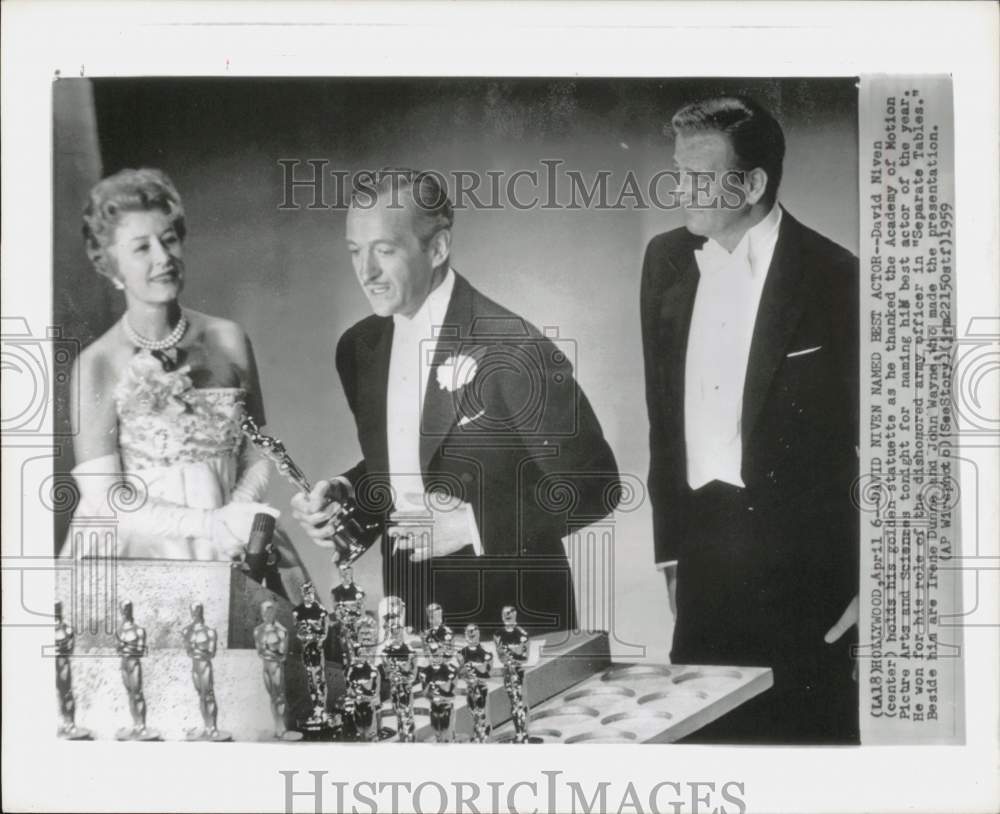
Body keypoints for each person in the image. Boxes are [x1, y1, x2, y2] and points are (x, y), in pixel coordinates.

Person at [291, 168, 620, 636]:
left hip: (516, 618)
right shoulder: (358, 348)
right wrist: (349, 494)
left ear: (439, 247)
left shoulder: (514, 347)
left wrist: (473, 525)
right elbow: (416, 458)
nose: (367, 273)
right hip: (410, 614)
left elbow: (597, 486)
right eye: (355, 252)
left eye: (384, 251)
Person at [640, 96, 859, 743]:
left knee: (805, 748)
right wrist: (670, 553)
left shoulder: (837, 275)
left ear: (754, 183)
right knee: (703, 747)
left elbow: (886, 445)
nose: (679, 188)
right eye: (677, 170)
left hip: (807, 569)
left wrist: (872, 583)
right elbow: (662, 416)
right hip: (704, 557)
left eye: (698, 175)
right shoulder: (664, 261)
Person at [59, 168, 307, 598]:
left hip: (236, 542)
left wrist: (237, 515)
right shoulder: (96, 365)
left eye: (169, 238)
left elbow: (257, 450)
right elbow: (105, 500)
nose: (163, 257)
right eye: (141, 247)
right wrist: (209, 526)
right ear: (110, 265)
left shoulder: (228, 338)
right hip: (137, 559)